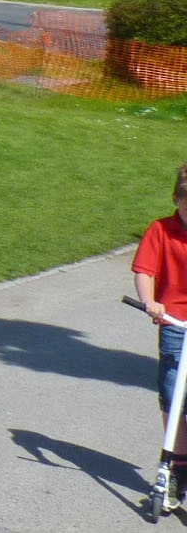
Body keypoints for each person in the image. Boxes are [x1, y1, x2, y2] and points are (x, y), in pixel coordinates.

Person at [135, 165, 187, 504]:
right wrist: (150, 302)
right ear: (176, 199)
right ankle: (175, 468)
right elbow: (144, 270)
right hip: (174, 323)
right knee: (171, 396)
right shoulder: (160, 231)